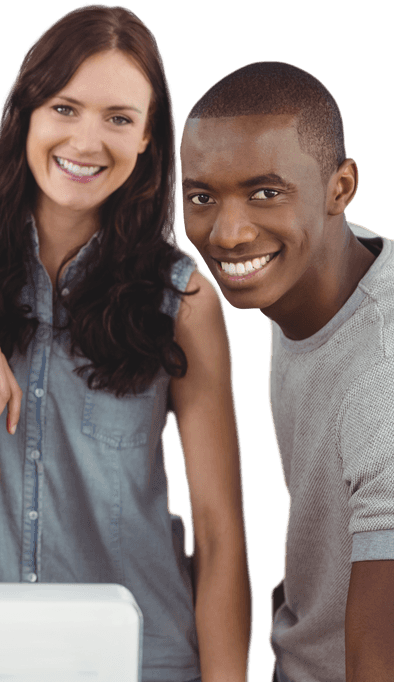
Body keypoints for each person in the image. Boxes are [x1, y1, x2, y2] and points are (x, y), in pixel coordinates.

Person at [0, 5, 251, 680]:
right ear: (25, 114)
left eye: (118, 118)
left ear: (147, 139)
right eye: (65, 108)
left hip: (139, 658)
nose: (87, 140)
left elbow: (219, 532)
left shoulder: (184, 304)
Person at [182, 61, 394, 682]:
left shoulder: (380, 380)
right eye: (201, 197)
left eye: (265, 193)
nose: (228, 232)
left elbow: (381, 659)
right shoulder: (325, 265)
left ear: (341, 186)